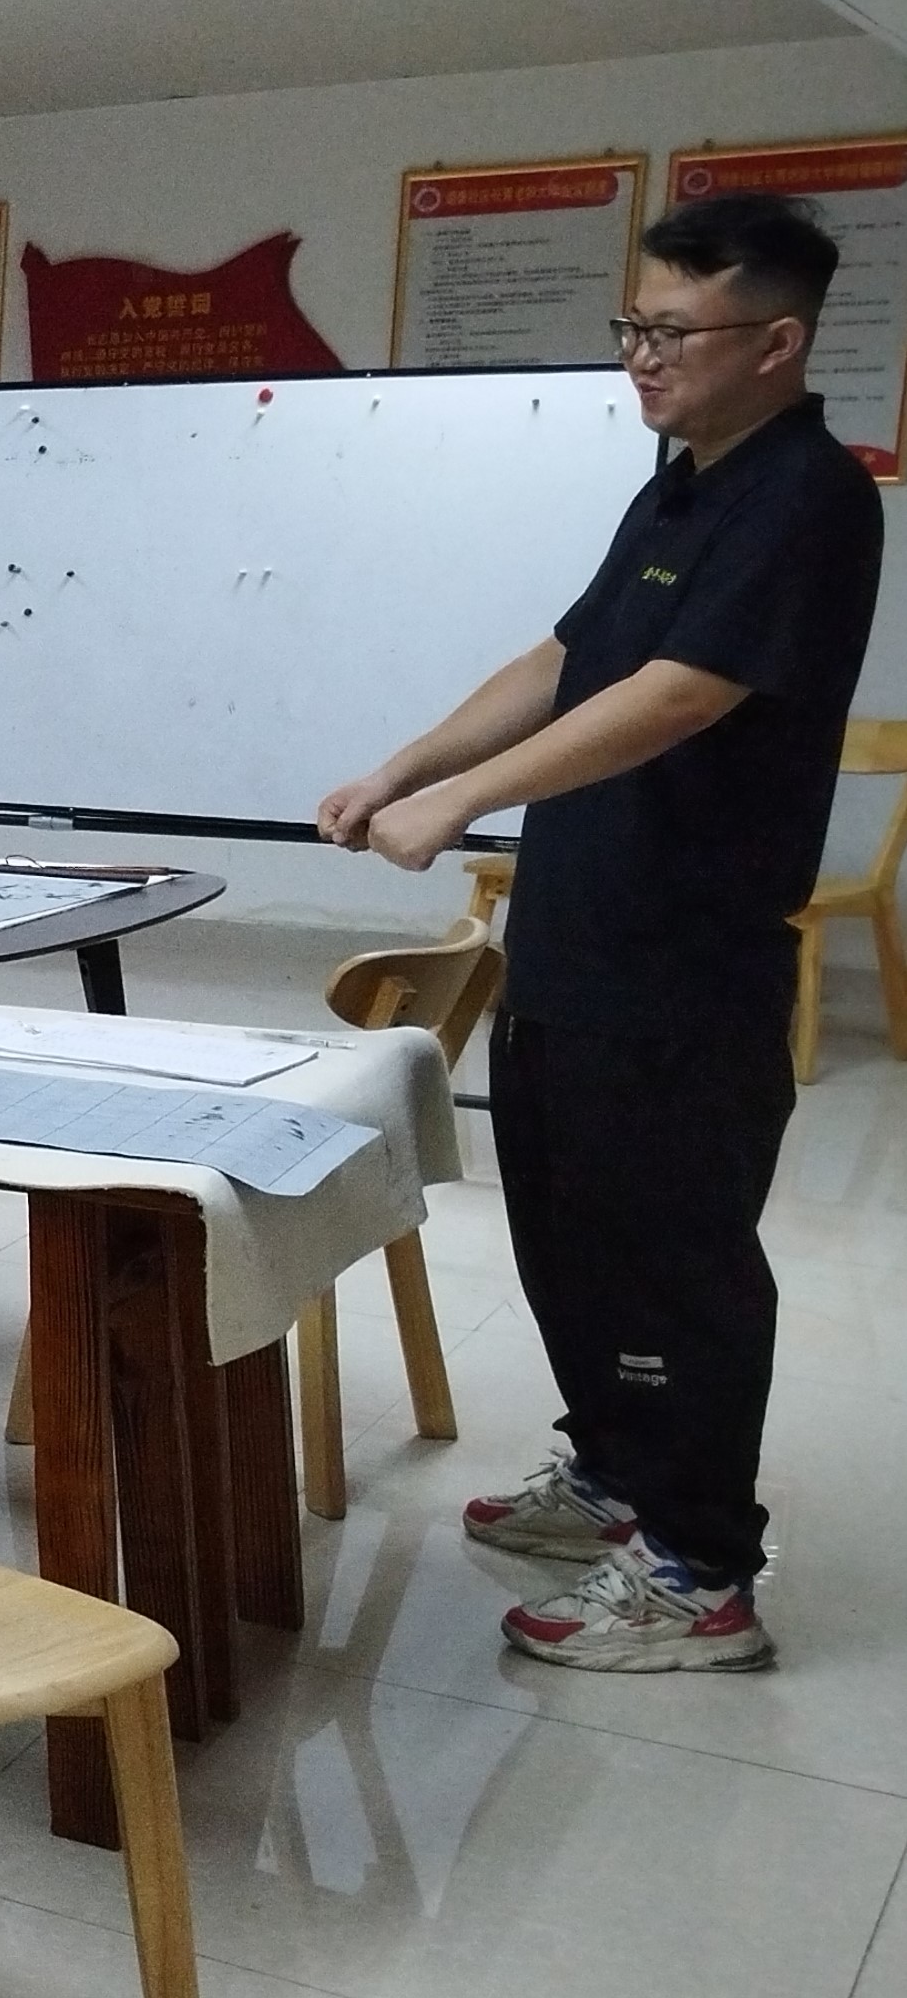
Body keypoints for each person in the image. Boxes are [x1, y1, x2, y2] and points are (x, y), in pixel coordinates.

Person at [316, 191, 880, 1674]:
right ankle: (619, 1473)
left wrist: (465, 803)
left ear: (777, 342)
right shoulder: (677, 485)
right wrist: (405, 768)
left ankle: (700, 1572)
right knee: (572, 1231)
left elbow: (683, 693)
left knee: (674, 1254)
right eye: (632, 324)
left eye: (673, 331)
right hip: (582, 932)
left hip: (687, 956)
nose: (641, 355)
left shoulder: (810, 496)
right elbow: (571, 655)